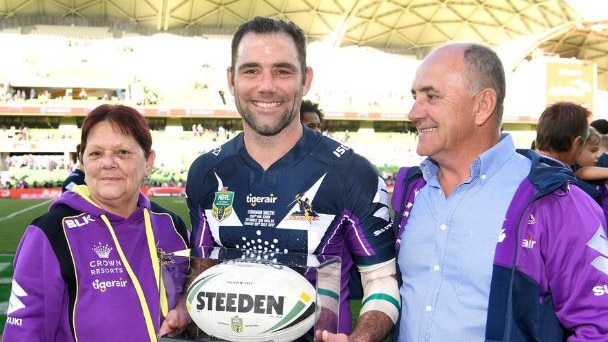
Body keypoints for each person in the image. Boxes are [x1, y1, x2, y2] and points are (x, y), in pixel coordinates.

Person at [183, 16, 399, 342]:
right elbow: (202, 267)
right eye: (251, 70)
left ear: (305, 79)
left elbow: (382, 281)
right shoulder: (205, 172)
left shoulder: (353, 173)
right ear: (231, 79)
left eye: (282, 71)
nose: (266, 85)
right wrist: (183, 311)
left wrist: (360, 339)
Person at [392, 42, 608, 341]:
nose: (413, 112)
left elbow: (599, 325)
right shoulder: (410, 192)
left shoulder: (557, 202)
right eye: (414, 97)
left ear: (483, 105)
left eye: (431, 96)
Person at [3, 104, 190, 341]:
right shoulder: (50, 233)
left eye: (123, 152)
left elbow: (188, 298)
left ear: (148, 161)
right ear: (82, 161)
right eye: (95, 153)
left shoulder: (171, 225)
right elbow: (24, 333)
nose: (107, 163)